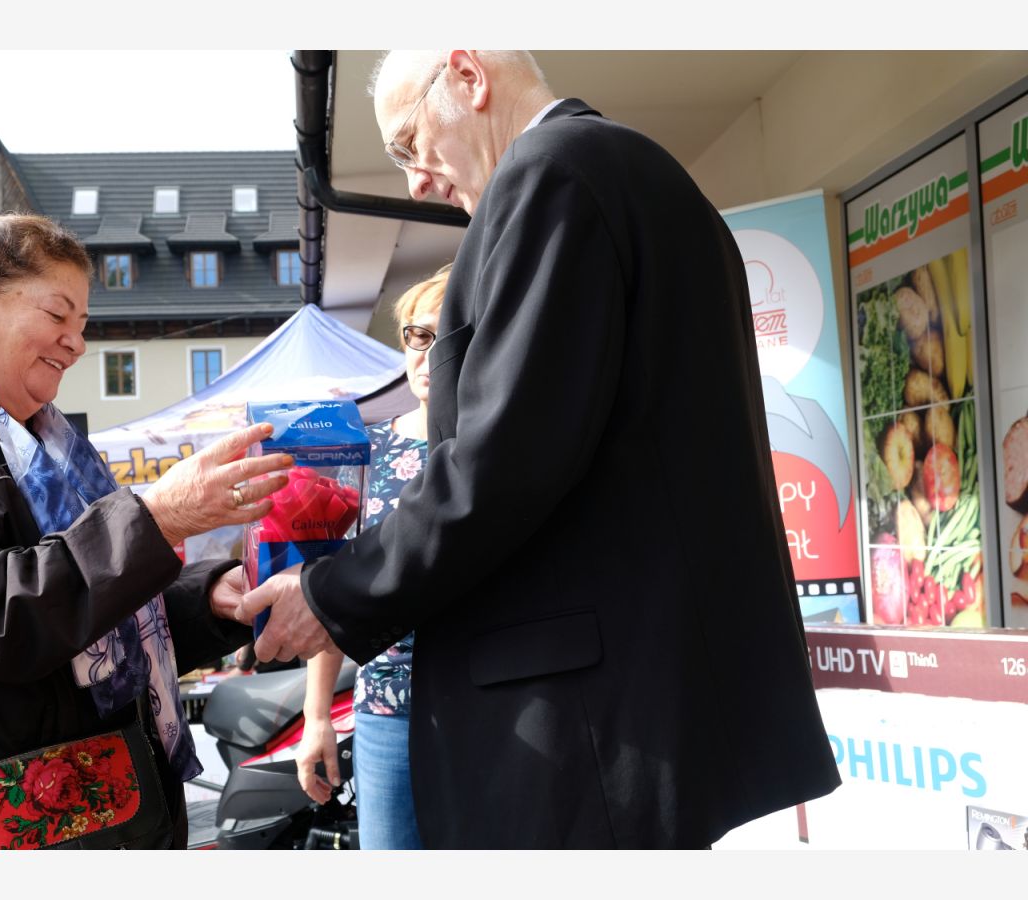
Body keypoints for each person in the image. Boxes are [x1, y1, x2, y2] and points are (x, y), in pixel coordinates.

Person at [233, 51, 842, 849]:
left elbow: (501, 460)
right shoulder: (650, 182)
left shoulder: (551, 174)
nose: (415, 182)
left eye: (410, 144)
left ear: (468, 76)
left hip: (584, 728)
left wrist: (333, 593)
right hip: (645, 700)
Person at [0, 210, 292, 849]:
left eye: (83, 325)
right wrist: (156, 518)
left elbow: (95, 624)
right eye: (56, 315)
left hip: (91, 806)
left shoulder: (48, 445)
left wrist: (210, 598)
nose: (77, 344)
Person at [295, 265, 447, 850]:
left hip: (491, 702)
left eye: (448, 334)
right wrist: (317, 717)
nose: (429, 353)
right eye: (418, 334)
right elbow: (332, 588)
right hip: (386, 707)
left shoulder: (496, 448)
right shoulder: (367, 449)